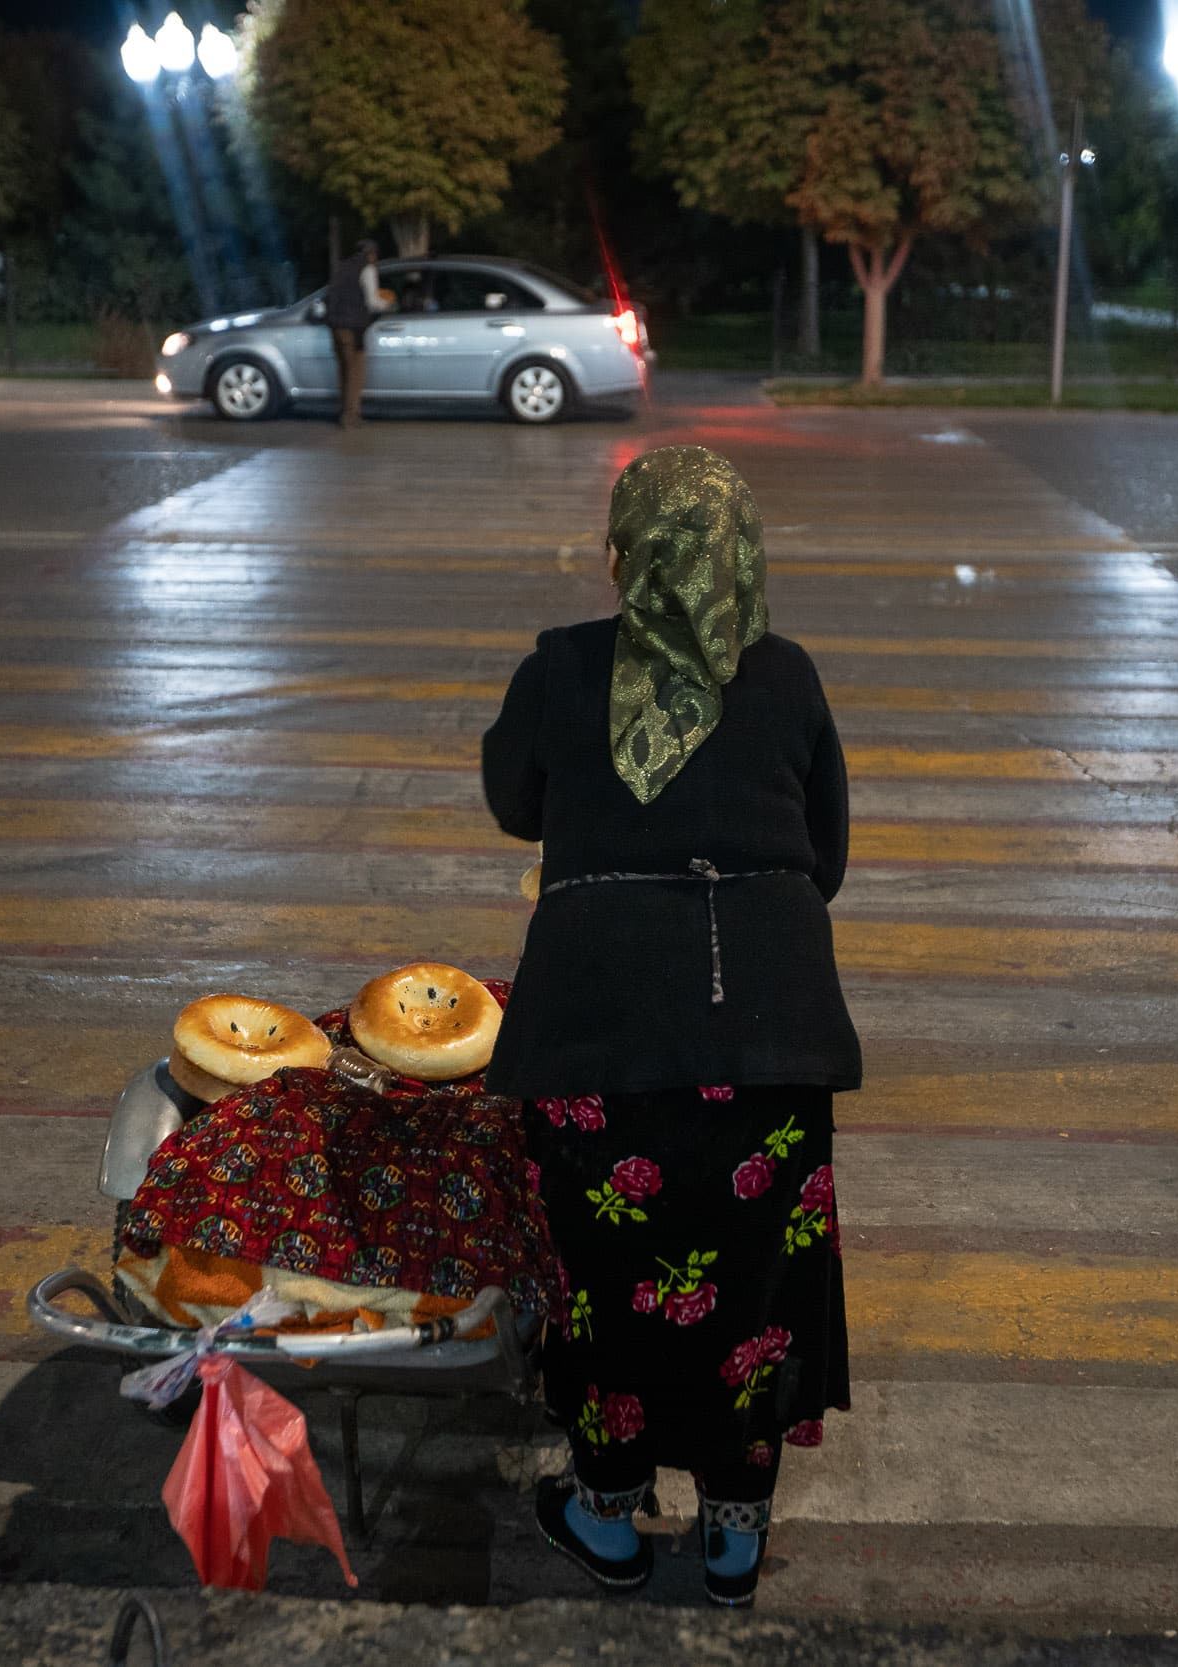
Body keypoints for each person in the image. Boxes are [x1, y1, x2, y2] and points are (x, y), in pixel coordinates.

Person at [480, 445, 858, 1608]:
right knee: (747, 1293)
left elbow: (511, 799)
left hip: (600, 1040)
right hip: (771, 1041)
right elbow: (826, 856)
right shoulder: (786, 675)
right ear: (742, 557)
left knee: (606, 1280)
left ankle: (604, 1516)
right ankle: (734, 1543)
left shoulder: (560, 667)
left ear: (623, 555)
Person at [323, 238, 388, 428]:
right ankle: (351, 416)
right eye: (375, 254)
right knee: (355, 372)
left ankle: (345, 412)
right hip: (354, 328)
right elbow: (373, 302)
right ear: (370, 253)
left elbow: (330, 296)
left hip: (336, 326)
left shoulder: (342, 268)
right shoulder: (367, 269)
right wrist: (389, 304)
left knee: (344, 370)